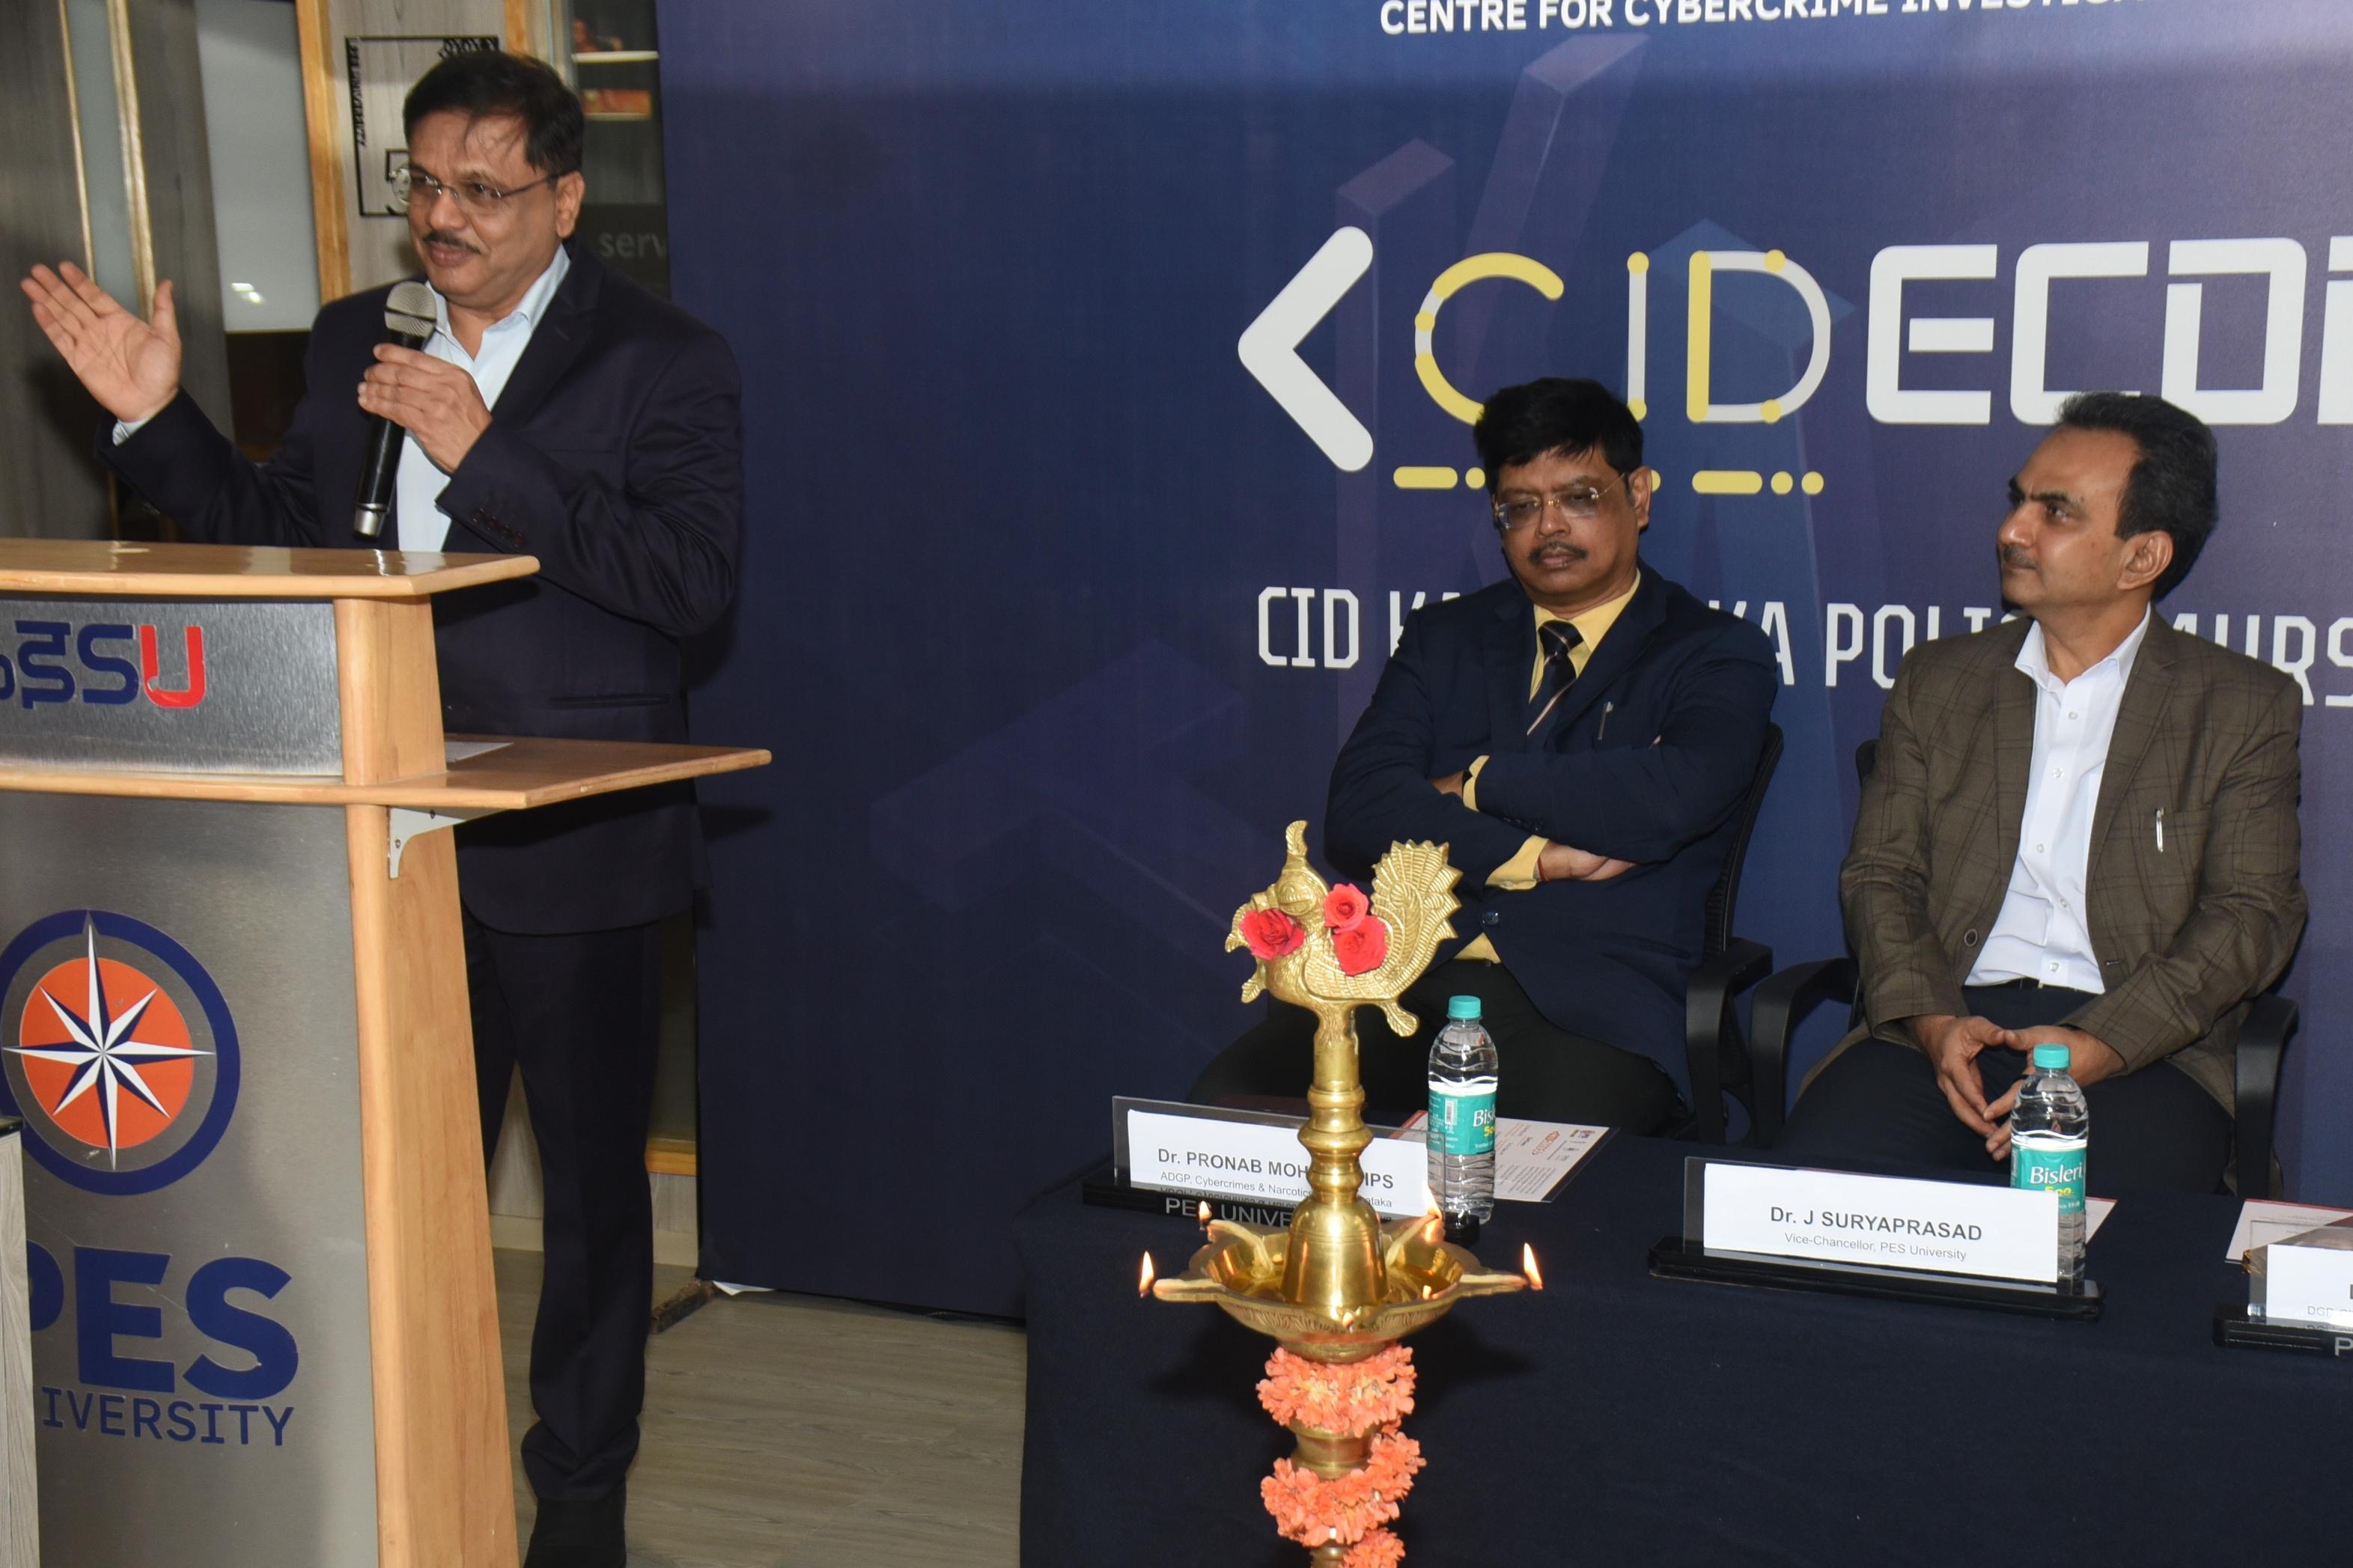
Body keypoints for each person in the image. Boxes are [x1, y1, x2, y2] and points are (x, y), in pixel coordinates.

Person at [20, 49, 740, 1567]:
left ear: (564, 199)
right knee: (394, 1190)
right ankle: (401, 1483)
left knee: (591, 1210)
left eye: (484, 189)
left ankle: (579, 1512)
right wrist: (156, 424)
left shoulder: (662, 359)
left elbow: (688, 586)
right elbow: (285, 542)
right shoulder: (364, 334)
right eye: (423, 184)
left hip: (573, 840)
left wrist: (487, 450)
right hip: (371, 836)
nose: (443, 218)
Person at [1190, 377, 1777, 1129]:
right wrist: (1538, 857)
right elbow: (1360, 811)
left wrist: (1473, 781)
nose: (1548, 527)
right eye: (1519, 507)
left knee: (1526, 1170)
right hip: (1405, 983)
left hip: (1591, 1007)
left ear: (1637, 497)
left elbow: (1668, 796)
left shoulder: (1713, 652)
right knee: (1222, 1114)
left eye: (1578, 498)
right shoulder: (1445, 640)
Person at [1778, 393, 2304, 1194]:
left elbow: (2251, 915)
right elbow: (1880, 875)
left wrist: (2101, 1042)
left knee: (2103, 1244)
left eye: (2054, 512)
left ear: (2141, 557)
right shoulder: (1938, 681)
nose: (2011, 530)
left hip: (2138, 1049)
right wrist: (1932, 1022)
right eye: (2017, 500)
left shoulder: (2239, 706)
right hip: (1948, 1025)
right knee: (1814, 1203)